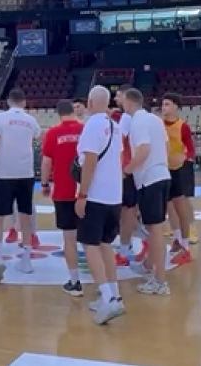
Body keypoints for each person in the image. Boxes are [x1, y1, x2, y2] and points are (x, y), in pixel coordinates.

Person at [0, 88, 41, 282]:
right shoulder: (31, 120)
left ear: (8, 101)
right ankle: (26, 260)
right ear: (24, 102)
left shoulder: (0, 118)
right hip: (25, 174)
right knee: (25, 216)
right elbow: (37, 137)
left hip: (4, 174)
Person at [75, 85, 124, 325]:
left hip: (96, 195)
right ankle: (115, 294)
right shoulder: (115, 126)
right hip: (114, 195)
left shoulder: (92, 126)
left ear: (90, 102)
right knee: (106, 245)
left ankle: (108, 298)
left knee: (90, 245)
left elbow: (90, 162)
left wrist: (82, 194)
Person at [122, 88, 172, 296]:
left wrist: (127, 170)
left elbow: (143, 149)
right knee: (156, 228)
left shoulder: (137, 122)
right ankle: (149, 265)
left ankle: (160, 281)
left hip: (149, 179)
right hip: (163, 175)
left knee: (155, 230)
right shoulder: (155, 120)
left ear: (129, 102)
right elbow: (166, 147)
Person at [40, 100, 84, 296]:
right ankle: (104, 284)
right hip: (87, 192)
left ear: (58, 113)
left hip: (64, 192)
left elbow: (46, 162)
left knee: (69, 238)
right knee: (94, 239)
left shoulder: (53, 133)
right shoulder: (86, 129)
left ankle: (75, 282)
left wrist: (44, 184)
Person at [162, 93, 196, 265]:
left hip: (178, 170)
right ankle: (177, 239)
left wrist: (185, 157)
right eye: (163, 104)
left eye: (167, 104)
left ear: (176, 106)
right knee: (169, 208)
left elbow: (191, 149)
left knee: (181, 210)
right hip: (164, 170)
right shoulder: (159, 124)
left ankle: (186, 248)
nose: (164, 107)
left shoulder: (183, 126)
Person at [112, 85, 141, 267]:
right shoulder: (141, 118)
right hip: (137, 169)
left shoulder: (126, 118)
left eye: (118, 96)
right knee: (131, 210)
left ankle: (124, 250)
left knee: (127, 211)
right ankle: (128, 244)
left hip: (127, 169)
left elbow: (119, 144)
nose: (116, 99)